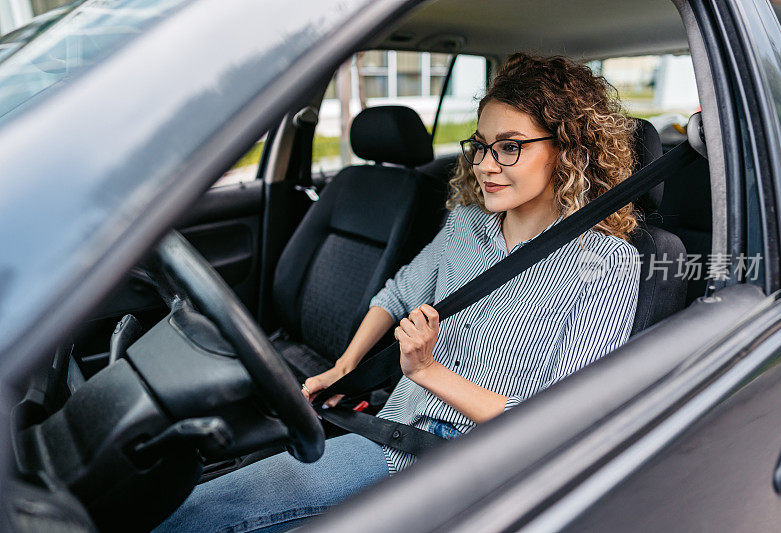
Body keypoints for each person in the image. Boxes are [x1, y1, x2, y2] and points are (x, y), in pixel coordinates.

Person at [155, 52, 641, 533]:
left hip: (483, 471)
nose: (485, 166)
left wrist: (427, 371)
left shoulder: (605, 263)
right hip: (394, 433)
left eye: (510, 146)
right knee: (199, 510)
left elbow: (555, 424)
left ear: (568, 149)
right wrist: (345, 368)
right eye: (481, 146)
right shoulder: (467, 224)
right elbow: (397, 293)